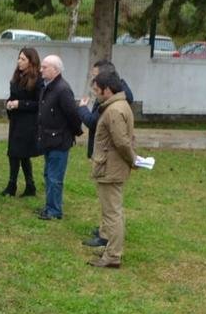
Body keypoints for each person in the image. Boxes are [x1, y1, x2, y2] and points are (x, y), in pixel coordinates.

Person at [85, 68, 136, 269]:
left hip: (110, 168)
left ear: (107, 90)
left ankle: (113, 255)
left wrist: (133, 160)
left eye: (97, 90)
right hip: (112, 166)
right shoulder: (121, 105)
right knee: (114, 211)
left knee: (112, 213)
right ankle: (111, 250)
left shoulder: (114, 110)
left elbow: (122, 142)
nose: (95, 94)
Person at [36, 55, 82, 220]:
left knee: (55, 177)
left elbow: (73, 115)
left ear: (55, 70)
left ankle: (54, 211)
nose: (41, 70)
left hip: (59, 140)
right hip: (49, 139)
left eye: (45, 67)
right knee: (48, 174)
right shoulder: (47, 86)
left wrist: (74, 132)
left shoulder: (62, 89)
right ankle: (49, 207)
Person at [2, 47, 41, 197]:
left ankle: (17, 185)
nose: (19, 61)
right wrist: (9, 103)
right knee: (17, 153)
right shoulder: (17, 77)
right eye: (19, 58)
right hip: (16, 121)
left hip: (29, 123)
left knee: (19, 153)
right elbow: (13, 96)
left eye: (23, 59)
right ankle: (26, 185)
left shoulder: (37, 80)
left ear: (32, 61)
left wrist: (20, 104)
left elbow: (38, 104)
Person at [77, 59, 134, 159]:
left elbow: (93, 122)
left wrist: (82, 108)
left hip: (106, 156)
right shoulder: (110, 93)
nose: (93, 79)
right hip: (104, 154)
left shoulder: (111, 97)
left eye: (95, 76)